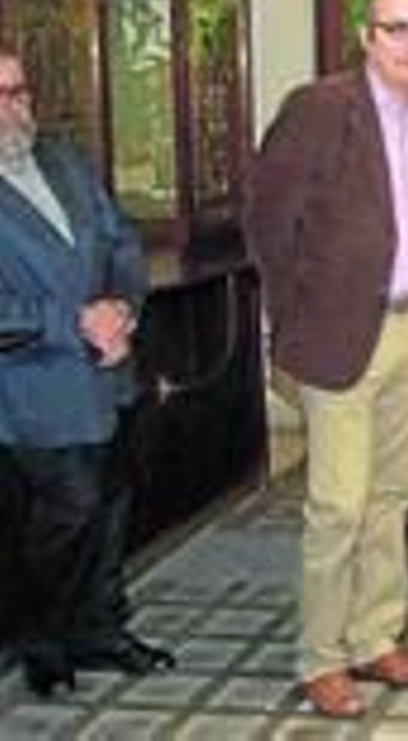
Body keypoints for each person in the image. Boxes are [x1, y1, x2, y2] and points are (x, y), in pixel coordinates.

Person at [246, 0, 408, 719]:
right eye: (398, 29)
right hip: (340, 330)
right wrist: (292, 319)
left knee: (393, 494)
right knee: (337, 504)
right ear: (367, 36)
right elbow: (269, 219)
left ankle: (375, 635)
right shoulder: (321, 107)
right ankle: (321, 657)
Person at [0, 47, 173, 697]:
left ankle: (99, 627)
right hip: (34, 387)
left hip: (110, 369)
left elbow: (121, 239)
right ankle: (43, 637)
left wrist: (122, 304)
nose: (13, 107)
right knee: (66, 511)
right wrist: (71, 321)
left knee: (112, 504)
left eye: (19, 91)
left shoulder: (63, 159)